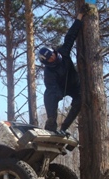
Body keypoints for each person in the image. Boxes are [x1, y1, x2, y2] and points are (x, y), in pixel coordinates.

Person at [38, 4, 90, 134]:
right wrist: (58, 96)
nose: (53, 58)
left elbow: (71, 35)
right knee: (49, 94)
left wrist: (80, 16)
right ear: (47, 63)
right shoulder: (49, 73)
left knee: (80, 100)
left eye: (53, 55)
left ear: (54, 52)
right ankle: (51, 124)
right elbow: (52, 89)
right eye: (49, 59)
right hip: (60, 89)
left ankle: (64, 128)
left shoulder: (63, 52)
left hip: (74, 85)